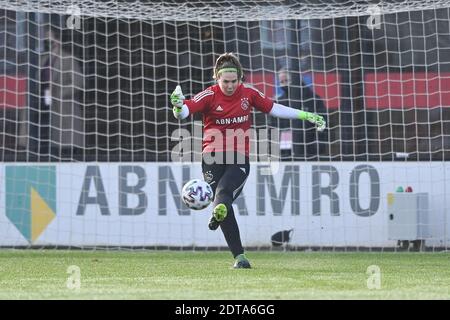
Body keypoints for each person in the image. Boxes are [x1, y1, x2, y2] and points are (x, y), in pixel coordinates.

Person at [170, 53, 325, 268]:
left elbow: (274, 108)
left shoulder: (249, 93)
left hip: (238, 157)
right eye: (226, 81)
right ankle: (238, 254)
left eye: (234, 81)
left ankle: (239, 257)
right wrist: (177, 106)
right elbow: (185, 111)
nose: (230, 85)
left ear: (240, 78)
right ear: (217, 78)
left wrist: (304, 115)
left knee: (222, 197)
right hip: (212, 157)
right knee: (222, 200)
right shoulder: (209, 95)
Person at [38, 28, 84, 159]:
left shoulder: (68, 59)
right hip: (42, 101)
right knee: (43, 131)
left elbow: (78, 83)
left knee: (62, 139)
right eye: (46, 39)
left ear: (58, 40)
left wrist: (60, 93)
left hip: (62, 105)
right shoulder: (43, 59)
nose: (48, 41)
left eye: (50, 38)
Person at [274, 67, 327, 160]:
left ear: (296, 79)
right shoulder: (280, 102)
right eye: (281, 82)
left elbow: (322, 123)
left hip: (310, 152)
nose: (284, 84)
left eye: (286, 80)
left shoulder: (313, 99)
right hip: (286, 153)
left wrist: (318, 147)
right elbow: (276, 127)